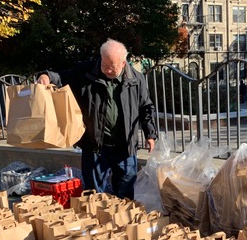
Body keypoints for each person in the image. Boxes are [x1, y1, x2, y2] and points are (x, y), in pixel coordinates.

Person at [37, 39, 157, 200]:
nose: (107, 70)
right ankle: (97, 221)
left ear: (123, 63)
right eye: (104, 64)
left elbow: (145, 107)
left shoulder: (136, 79)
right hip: (95, 145)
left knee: (126, 192)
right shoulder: (86, 71)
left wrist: (150, 133)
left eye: (112, 67)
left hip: (125, 146)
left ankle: (123, 223)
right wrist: (46, 76)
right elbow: (62, 77)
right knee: (94, 193)